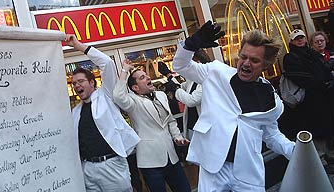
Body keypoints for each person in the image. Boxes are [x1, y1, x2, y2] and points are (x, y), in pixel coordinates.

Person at [173, 21, 295, 191]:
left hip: (248, 169)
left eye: (254, 60)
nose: (246, 63)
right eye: (243, 57)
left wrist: (296, 151)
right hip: (213, 167)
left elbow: (271, 135)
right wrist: (191, 44)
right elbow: (180, 65)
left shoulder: (270, 98)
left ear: (266, 65)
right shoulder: (215, 73)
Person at [64, 34, 140, 192]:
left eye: (80, 81)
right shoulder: (76, 111)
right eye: (73, 84)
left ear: (92, 82)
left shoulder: (105, 96)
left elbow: (106, 63)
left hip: (111, 165)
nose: (76, 86)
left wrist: (78, 45)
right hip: (88, 169)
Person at [113, 59, 191, 192]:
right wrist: (125, 70)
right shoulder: (133, 102)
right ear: (135, 88)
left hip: (171, 157)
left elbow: (170, 120)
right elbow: (118, 96)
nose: (148, 77)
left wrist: (177, 137)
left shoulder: (161, 95)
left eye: (146, 75)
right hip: (150, 162)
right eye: (142, 78)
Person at [282, 29, 334, 170]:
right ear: (292, 41)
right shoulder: (290, 57)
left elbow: (323, 69)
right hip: (307, 101)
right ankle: (321, 160)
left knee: (325, 126)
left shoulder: (311, 53)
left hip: (322, 97)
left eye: (302, 38)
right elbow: (300, 77)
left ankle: (329, 156)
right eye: (296, 38)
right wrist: (319, 82)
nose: (300, 40)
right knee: (315, 129)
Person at [308, 31, 334, 167]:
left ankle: (331, 152)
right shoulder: (310, 58)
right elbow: (320, 75)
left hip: (331, 96)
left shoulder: (330, 54)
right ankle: (323, 156)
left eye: (321, 40)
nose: (319, 43)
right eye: (316, 41)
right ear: (312, 44)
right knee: (323, 127)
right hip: (320, 98)